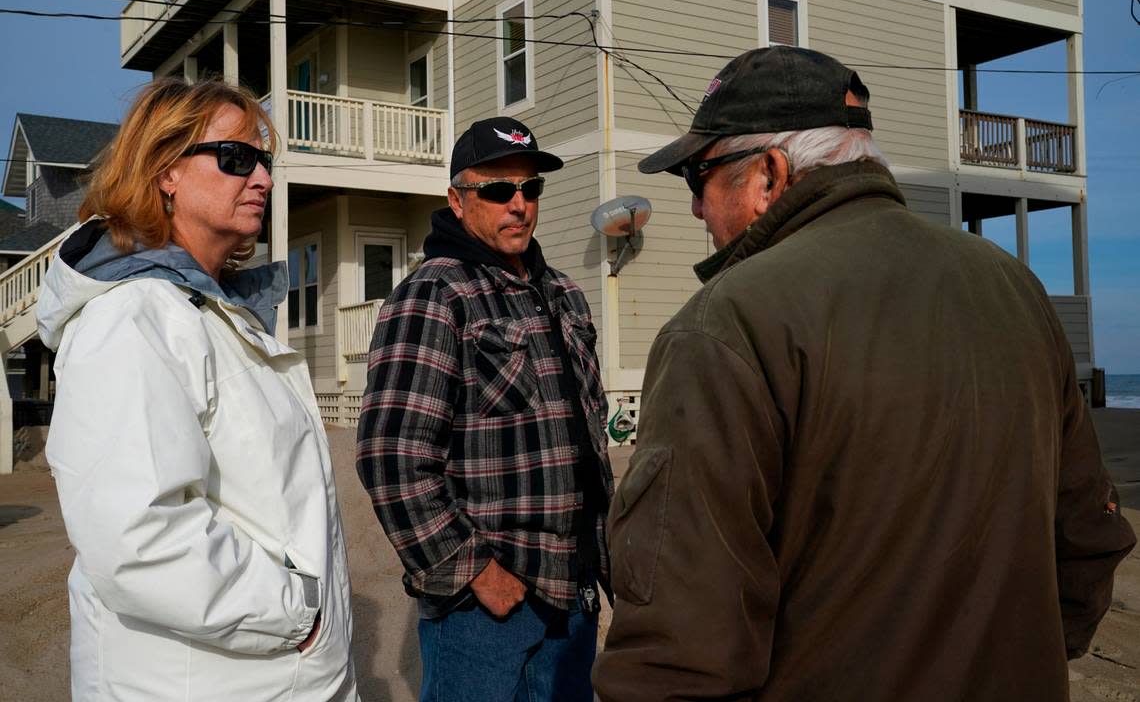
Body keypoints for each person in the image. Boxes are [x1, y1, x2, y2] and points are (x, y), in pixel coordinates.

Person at [593, 47, 1136, 701]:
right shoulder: (1012, 284)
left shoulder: (725, 322)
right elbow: (1088, 535)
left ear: (768, 172)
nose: (695, 209)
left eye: (698, 176)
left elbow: (677, 650)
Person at [37, 77, 358, 701]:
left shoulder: (211, 312)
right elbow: (138, 538)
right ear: (165, 172)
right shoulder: (130, 319)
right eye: (236, 158)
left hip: (271, 676)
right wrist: (299, 612)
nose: (262, 178)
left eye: (264, 161)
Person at [356, 116, 612, 701]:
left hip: (573, 594)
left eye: (530, 188)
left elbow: (588, 439)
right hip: (489, 609)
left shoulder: (565, 292)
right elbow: (392, 457)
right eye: (498, 190)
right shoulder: (435, 293)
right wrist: (473, 572)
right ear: (456, 199)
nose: (518, 204)